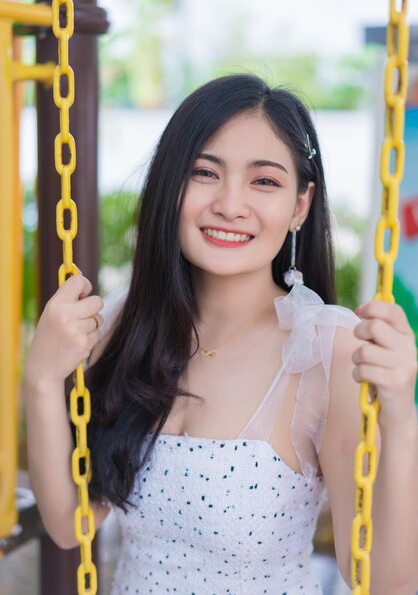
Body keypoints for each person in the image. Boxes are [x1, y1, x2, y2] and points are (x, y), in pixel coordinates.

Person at [23, 74, 418, 595]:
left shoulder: (326, 351)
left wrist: (402, 420)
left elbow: (382, 583)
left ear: (300, 206)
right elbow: (71, 523)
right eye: (205, 173)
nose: (231, 205)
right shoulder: (127, 324)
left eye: (264, 182)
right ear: (171, 185)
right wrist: (41, 382)